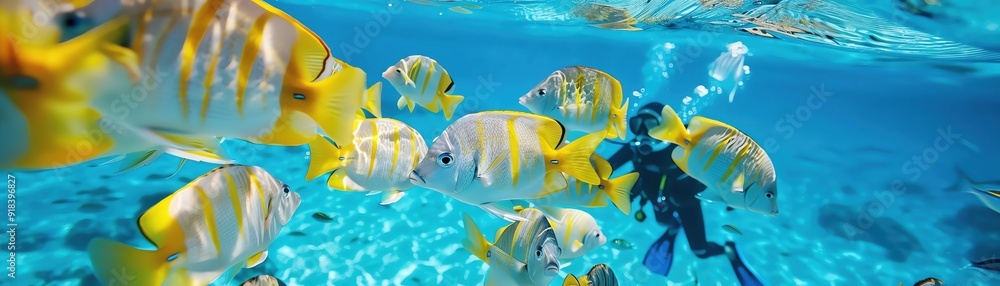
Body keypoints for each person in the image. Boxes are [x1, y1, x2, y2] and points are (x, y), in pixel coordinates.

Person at [605, 102, 764, 285]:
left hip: (686, 202)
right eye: (636, 125)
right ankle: (674, 227)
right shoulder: (635, 147)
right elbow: (607, 167)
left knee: (700, 251)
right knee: (664, 221)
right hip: (657, 200)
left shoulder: (684, 142)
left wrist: (734, 191)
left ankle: (729, 250)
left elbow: (728, 154)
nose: (643, 132)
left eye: (651, 125)